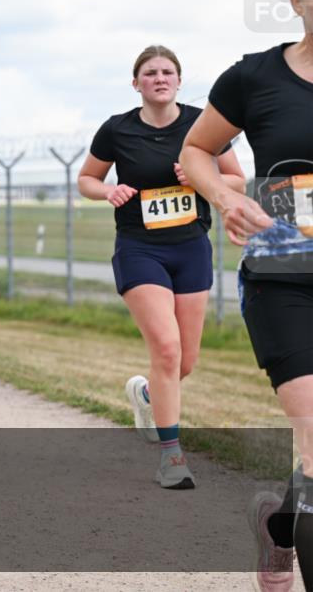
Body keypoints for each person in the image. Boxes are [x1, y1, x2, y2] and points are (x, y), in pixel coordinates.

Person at [181, 0, 313, 591]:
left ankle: (278, 519)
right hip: (284, 277)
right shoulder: (255, 76)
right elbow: (197, 151)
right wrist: (229, 197)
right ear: (297, 2)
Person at [77, 45, 245, 490]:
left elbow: (236, 179)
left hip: (190, 248)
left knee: (184, 362)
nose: (159, 78)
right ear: (137, 83)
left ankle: (148, 395)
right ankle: (172, 458)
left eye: (167, 71)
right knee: (167, 351)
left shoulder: (201, 124)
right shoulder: (117, 129)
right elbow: (87, 178)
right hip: (139, 248)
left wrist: (200, 178)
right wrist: (106, 192)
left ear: (179, 80)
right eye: (150, 73)